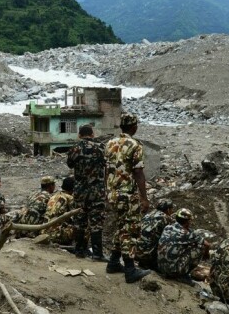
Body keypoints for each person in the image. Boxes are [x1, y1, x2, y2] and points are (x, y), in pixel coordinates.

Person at [105, 112, 151, 283]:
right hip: (127, 194)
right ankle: (130, 270)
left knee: (121, 226)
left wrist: (107, 191)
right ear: (134, 127)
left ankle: (114, 262)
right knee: (131, 229)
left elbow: (107, 170)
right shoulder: (135, 145)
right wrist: (144, 198)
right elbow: (138, 172)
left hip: (113, 193)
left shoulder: (109, 143)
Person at [67, 124, 107, 260]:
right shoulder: (101, 148)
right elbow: (105, 164)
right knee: (96, 222)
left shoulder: (74, 149)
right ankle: (97, 254)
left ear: (79, 135)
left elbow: (70, 164)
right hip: (97, 191)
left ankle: (79, 250)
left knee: (79, 221)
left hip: (80, 191)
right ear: (92, 134)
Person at [156, 208, 210, 284]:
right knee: (200, 248)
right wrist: (206, 254)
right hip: (172, 271)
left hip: (160, 266)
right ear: (188, 221)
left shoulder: (167, 227)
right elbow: (207, 244)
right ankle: (183, 274)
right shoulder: (187, 234)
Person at [134, 198, 174, 271]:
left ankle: (144, 262)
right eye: (171, 209)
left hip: (135, 252)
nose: (172, 211)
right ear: (168, 209)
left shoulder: (148, 215)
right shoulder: (166, 218)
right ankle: (154, 264)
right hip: (147, 256)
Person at [43, 176, 77, 245]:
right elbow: (76, 218)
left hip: (43, 232)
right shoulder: (70, 199)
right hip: (56, 235)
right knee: (84, 225)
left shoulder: (53, 196)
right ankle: (81, 249)